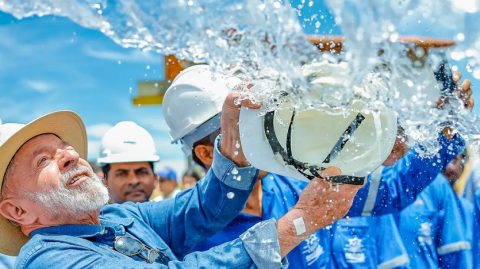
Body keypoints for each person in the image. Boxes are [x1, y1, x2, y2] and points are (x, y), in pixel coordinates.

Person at [0, 93, 362, 268]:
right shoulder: (49, 260)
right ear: (17, 210)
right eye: (44, 160)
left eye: (65, 147)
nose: (69, 155)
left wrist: (235, 145)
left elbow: (203, 208)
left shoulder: (119, 220)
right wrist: (296, 225)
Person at [162, 65, 469, 268]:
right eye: (244, 127)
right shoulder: (190, 239)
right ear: (205, 153)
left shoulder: (295, 185)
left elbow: (391, 190)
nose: (266, 133)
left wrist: (443, 136)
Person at [97, 121, 160, 204]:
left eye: (142, 172)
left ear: (155, 179)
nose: (133, 181)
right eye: (122, 174)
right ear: (105, 183)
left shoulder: (169, 216)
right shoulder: (96, 217)